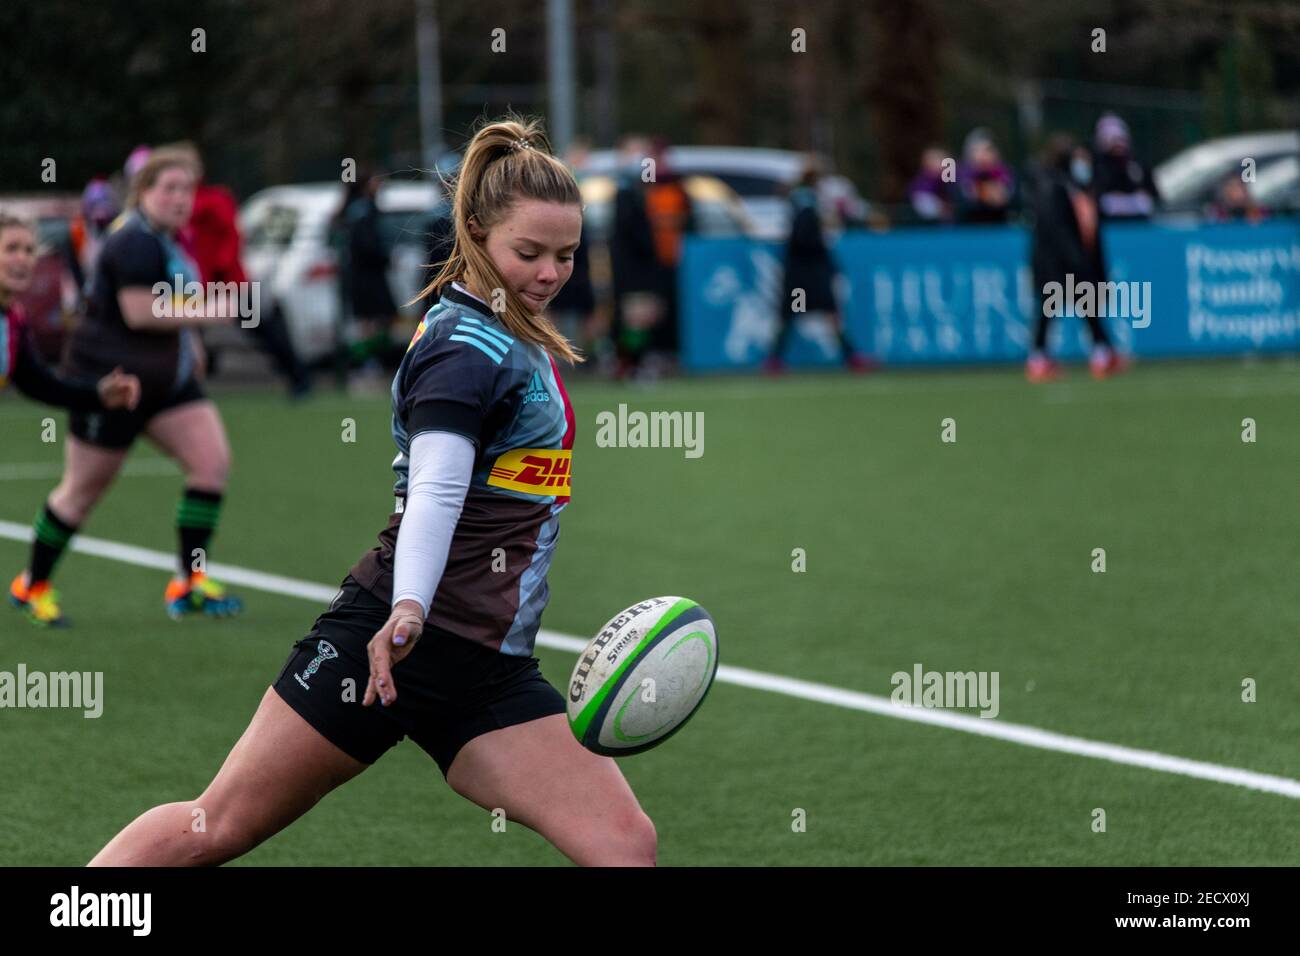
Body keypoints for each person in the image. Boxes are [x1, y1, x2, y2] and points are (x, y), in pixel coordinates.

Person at [90, 116, 657, 867]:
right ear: (478, 232)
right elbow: (436, 491)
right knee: (218, 824)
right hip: (387, 638)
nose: (550, 272)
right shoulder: (466, 348)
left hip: (485, 669)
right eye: (529, 252)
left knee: (625, 843)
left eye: (565, 255)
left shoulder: (508, 332)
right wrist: (410, 608)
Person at [8, 148, 244, 627]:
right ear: (143, 192)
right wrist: (214, 311)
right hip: (110, 380)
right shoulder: (132, 242)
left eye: (187, 190)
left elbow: (173, 310)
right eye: (168, 188)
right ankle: (32, 584)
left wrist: (190, 346)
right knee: (80, 493)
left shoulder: (172, 241)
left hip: (161, 384)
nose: (180, 199)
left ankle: (190, 581)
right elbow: (141, 311)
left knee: (211, 463)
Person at [2, 212, 141, 627]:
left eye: (29, 250)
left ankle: (33, 586)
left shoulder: (14, 319)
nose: (23, 258)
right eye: (10, 249)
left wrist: (98, 393)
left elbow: (39, 383)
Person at [168, 142, 312, 397]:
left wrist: (221, 269)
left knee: (264, 328)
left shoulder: (215, 199)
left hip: (227, 282)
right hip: (193, 285)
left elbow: (232, 237)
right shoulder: (175, 204)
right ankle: (184, 389)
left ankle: (299, 378)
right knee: (185, 335)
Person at [1026, 134, 1128, 383]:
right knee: (1053, 309)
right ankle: (1041, 359)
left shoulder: (1068, 185)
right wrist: (1075, 258)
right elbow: (1058, 229)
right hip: (1057, 261)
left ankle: (1101, 352)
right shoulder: (1053, 186)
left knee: (1085, 306)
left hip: (1064, 259)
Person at [764, 162, 872, 374]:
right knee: (820, 314)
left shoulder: (801, 202)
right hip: (808, 273)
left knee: (799, 314)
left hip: (801, 273)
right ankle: (851, 358)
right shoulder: (807, 205)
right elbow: (805, 239)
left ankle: (776, 360)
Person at [336, 172, 400, 375]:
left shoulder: (360, 210)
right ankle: (361, 360)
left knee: (377, 319)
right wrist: (384, 257)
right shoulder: (363, 211)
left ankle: (368, 360)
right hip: (367, 276)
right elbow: (367, 245)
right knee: (372, 321)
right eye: (376, 181)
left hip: (365, 275)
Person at [1092, 113, 1159, 221]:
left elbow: (1154, 195)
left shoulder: (1138, 166)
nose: (1119, 145)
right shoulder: (1098, 167)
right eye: (1113, 141)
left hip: (1140, 225)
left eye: (1121, 140)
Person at [957, 128, 1015, 223]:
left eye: (987, 150)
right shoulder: (960, 176)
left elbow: (1004, 199)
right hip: (969, 232)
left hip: (1001, 231)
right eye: (976, 150)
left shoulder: (1006, 173)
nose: (982, 155)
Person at [908, 146, 958, 223]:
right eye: (936, 161)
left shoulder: (947, 182)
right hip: (923, 226)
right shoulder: (920, 185)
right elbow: (925, 208)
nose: (941, 165)